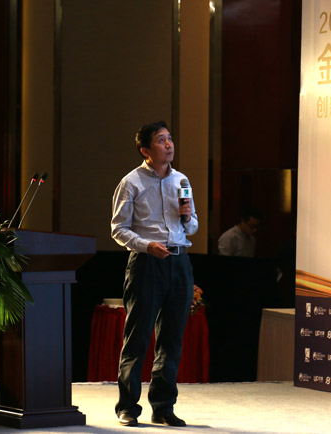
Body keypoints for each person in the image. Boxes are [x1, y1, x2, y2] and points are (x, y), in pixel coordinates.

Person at [111, 121, 198, 427]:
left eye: (170, 138)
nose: (169, 144)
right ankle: (127, 407)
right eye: (161, 140)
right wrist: (146, 245)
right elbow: (118, 229)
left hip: (179, 262)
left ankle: (163, 406)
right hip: (147, 263)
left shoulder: (181, 180)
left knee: (171, 339)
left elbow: (193, 225)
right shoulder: (131, 182)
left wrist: (187, 217)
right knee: (137, 337)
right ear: (145, 150)